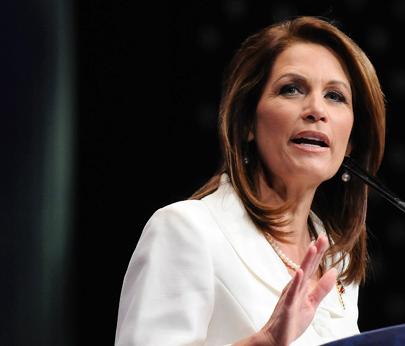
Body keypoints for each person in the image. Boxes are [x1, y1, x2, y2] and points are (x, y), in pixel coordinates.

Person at [115, 16, 385, 345]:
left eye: (335, 96)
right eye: (291, 89)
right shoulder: (187, 231)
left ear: (352, 139)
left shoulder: (336, 264)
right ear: (248, 123)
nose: (316, 109)